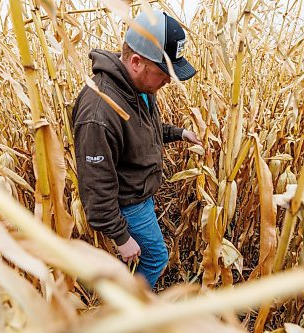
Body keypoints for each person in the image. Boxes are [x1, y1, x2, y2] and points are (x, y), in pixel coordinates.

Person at [72, 10, 201, 288]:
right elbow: (95, 183)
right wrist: (121, 236)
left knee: (131, 265)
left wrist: (181, 133)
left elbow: (145, 132)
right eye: (163, 73)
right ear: (136, 61)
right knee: (155, 258)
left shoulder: (139, 89)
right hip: (128, 204)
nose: (168, 81)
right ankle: (131, 314)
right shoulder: (100, 109)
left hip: (140, 195)